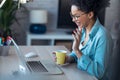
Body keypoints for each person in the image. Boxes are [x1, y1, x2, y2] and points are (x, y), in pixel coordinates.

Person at [54, 0, 113, 80]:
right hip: (80, 75)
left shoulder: (103, 36)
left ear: (90, 14)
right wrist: (68, 58)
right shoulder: (83, 31)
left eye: (76, 16)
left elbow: (99, 72)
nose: (73, 20)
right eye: (72, 16)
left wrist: (77, 50)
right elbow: (77, 56)